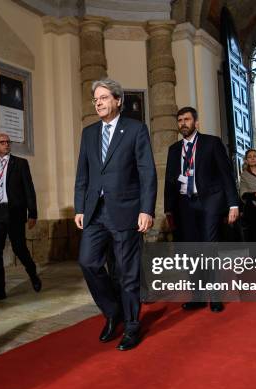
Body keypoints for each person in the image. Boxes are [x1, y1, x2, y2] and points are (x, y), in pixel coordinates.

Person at [74, 78, 156, 351]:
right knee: (88, 262)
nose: (97, 102)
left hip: (127, 211)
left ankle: (132, 326)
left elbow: (147, 172)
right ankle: (113, 311)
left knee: (127, 273)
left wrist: (146, 209)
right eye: (95, 98)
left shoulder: (135, 129)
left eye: (103, 97)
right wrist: (79, 207)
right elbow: (82, 175)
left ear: (118, 100)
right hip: (95, 213)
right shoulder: (88, 134)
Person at [164, 106, 239, 313]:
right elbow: (170, 181)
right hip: (184, 205)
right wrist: (168, 209)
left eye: (186, 119)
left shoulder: (211, 143)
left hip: (209, 202)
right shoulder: (173, 149)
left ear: (196, 122)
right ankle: (197, 296)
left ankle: (215, 296)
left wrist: (233, 203)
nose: (183, 124)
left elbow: (226, 174)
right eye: (179, 120)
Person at [0, 133, 41, 303]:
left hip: (14, 212)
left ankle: (33, 274)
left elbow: (29, 189)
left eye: (8, 142)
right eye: (2, 142)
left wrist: (33, 213)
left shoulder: (20, 163)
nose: (6, 144)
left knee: (19, 249)